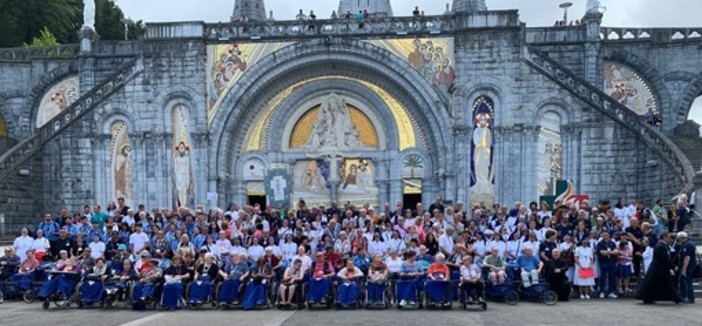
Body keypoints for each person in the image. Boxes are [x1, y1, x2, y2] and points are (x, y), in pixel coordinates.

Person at [636, 232, 680, 304]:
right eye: (668, 237)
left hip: (659, 268)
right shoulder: (660, 247)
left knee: (655, 284)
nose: (669, 239)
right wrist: (673, 266)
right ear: (664, 237)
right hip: (659, 269)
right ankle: (676, 298)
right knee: (665, 284)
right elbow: (664, 259)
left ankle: (675, 298)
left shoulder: (661, 246)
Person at [676, 232, 697, 303]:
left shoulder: (687, 245)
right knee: (683, 281)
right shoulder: (689, 244)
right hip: (689, 266)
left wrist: (684, 268)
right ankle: (683, 296)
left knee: (687, 282)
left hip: (688, 267)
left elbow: (687, 257)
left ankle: (690, 298)